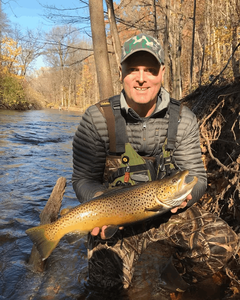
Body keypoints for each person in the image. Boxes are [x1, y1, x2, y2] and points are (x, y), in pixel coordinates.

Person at [72, 34, 239, 292]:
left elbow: (197, 177)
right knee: (107, 286)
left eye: (150, 70)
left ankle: (173, 277)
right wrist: (99, 203)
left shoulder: (183, 118)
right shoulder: (97, 118)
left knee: (221, 242)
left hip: (165, 215)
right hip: (115, 219)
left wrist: (188, 196)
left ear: (162, 72)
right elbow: (83, 179)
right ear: (121, 73)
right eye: (133, 70)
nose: (141, 78)